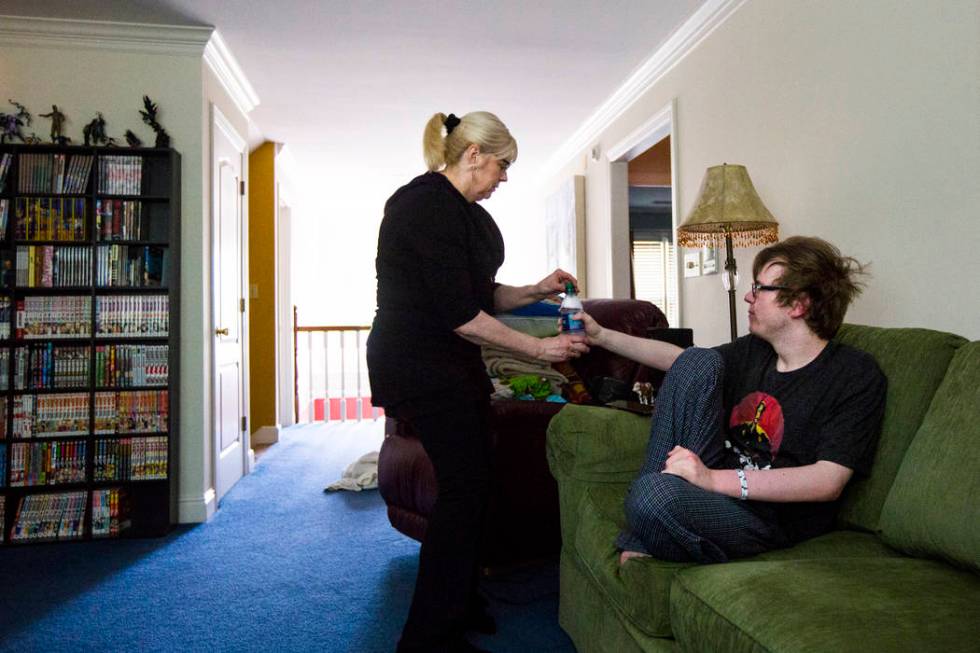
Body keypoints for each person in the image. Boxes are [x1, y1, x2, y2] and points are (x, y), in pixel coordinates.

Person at [367, 111, 588, 653]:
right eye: (502, 164)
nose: (505, 177)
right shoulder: (420, 205)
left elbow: (482, 295)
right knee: (464, 490)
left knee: (478, 482)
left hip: (450, 360)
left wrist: (536, 288)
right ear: (472, 155)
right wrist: (541, 348)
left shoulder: (466, 213)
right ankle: (427, 639)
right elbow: (458, 313)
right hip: (418, 360)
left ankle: (461, 601)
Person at [576, 236, 886, 564]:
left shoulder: (854, 374)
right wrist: (600, 336)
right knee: (697, 361)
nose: (749, 297)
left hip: (768, 518)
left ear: (798, 305)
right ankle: (645, 528)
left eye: (761, 288)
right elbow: (679, 361)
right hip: (712, 485)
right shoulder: (754, 350)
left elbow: (828, 481)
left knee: (652, 496)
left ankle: (645, 527)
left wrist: (712, 479)